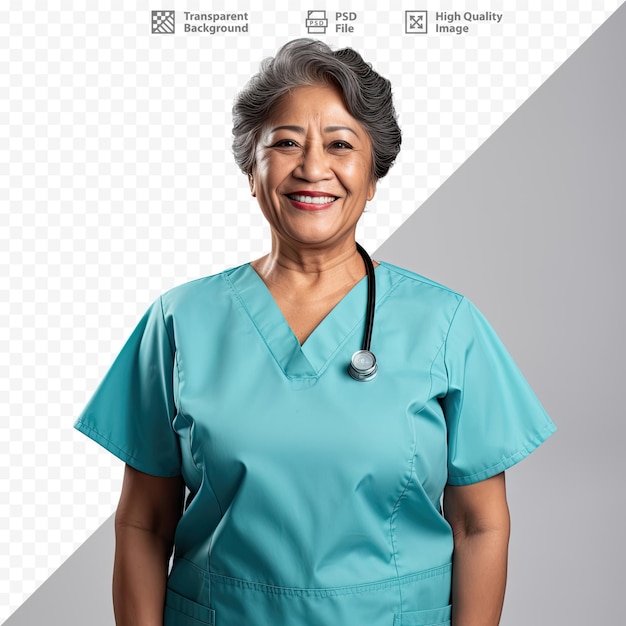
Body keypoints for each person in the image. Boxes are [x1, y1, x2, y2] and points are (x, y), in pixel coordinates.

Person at [75, 38, 556, 626]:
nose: (311, 168)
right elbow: (143, 521)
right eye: (284, 143)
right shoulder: (179, 321)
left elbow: (481, 524)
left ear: (372, 175)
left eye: (339, 145)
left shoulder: (447, 325)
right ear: (251, 171)